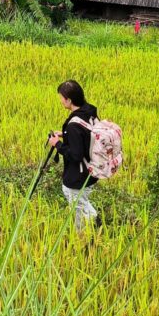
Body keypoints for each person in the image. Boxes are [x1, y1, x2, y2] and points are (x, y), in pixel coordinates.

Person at [48, 80, 99, 231]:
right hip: (92, 169)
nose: (60, 100)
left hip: (79, 175)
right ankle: (92, 223)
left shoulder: (74, 125)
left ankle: (82, 234)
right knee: (81, 201)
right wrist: (65, 135)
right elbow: (86, 136)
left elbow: (75, 155)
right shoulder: (89, 112)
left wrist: (57, 144)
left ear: (69, 100)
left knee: (77, 205)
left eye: (61, 98)